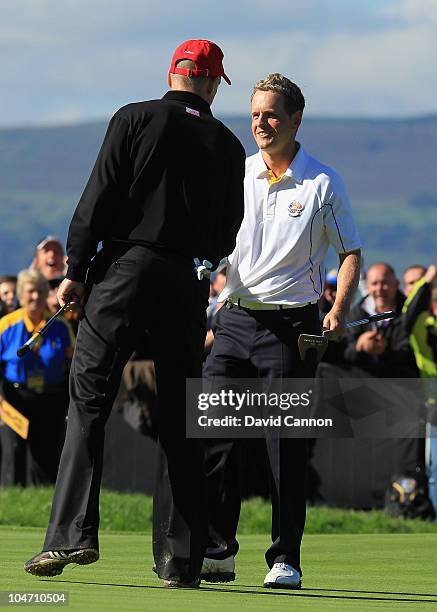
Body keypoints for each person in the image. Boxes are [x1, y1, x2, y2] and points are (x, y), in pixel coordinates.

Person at [24, 39, 245, 588]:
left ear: (173, 72)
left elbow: (98, 196)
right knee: (180, 416)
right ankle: (181, 561)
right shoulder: (229, 145)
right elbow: (229, 231)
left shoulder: (134, 117)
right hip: (188, 280)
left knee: (90, 397)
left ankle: (71, 535)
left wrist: (75, 270)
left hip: (125, 268)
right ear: (213, 82)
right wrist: (200, 261)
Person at [201, 74, 361, 588]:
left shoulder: (323, 182)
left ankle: (283, 558)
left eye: (271, 115)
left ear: (295, 118)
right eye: (254, 115)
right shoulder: (238, 172)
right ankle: (217, 550)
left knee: (283, 447)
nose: (261, 124)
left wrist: (338, 306)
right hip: (234, 320)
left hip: (290, 327)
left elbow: (350, 251)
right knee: (217, 440)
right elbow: (216, 241)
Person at [0, 269, 73, 486]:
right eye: (31, 291)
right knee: (14, 455)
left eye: (41, 291)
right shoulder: (6, 326)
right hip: (15, 398)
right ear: (21, 295)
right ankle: (11, 502)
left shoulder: (59, 326)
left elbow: (74, 359)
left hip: (50, 398)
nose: (36, 296)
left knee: (47, 455)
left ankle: (44, 504)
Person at [402, 264, 437, 518]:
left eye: (419, 282)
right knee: (434, 469)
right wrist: (428, 278)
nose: (415, 287)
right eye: (410, 283)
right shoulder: (415, 319)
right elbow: (411, 309)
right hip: (433, 401)